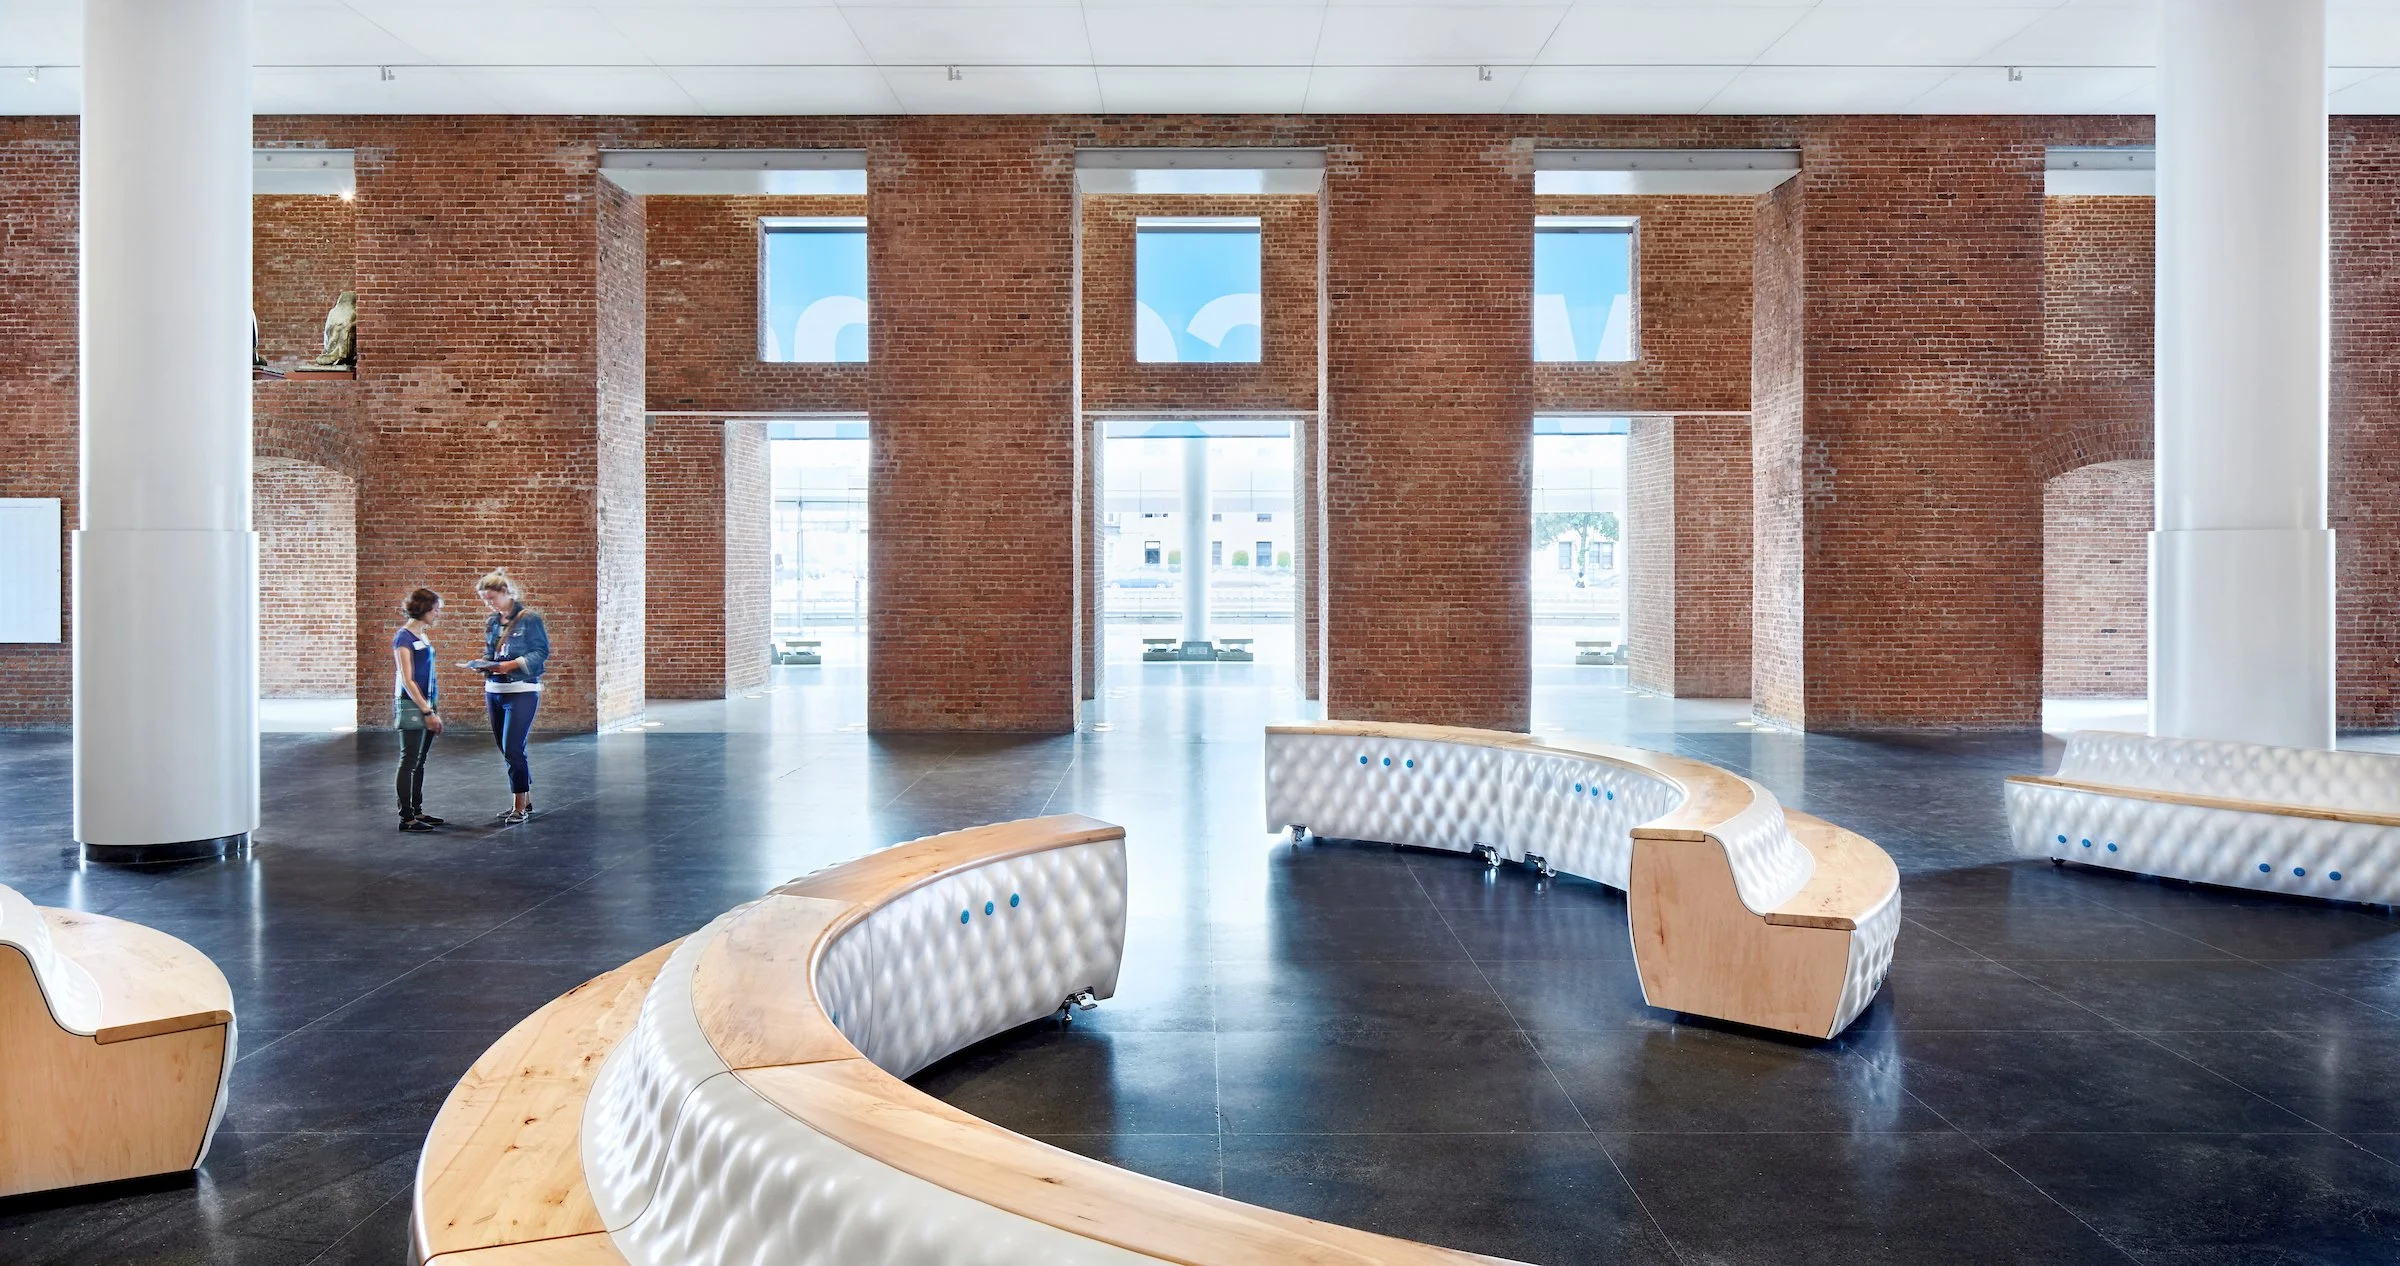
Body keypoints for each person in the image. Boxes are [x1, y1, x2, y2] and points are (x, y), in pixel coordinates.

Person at [475, 569, 549, 825]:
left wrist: (512, 665)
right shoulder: (493, 622)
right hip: (494, 690)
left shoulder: (530, 619)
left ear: (506, 593)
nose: (489, 604)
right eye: (485, 599)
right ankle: (525, 799)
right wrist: (483, 664)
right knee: (505, 750)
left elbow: (541, 652)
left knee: (513, 748)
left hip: (522, 690)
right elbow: (490, 652)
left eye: (492, 598)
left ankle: (519, 806)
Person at [391, 588, 447, 832]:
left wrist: (432, 706)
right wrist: (426, 711)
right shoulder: (403, 638)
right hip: (412, 705)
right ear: (423, 609)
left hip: (427, 703)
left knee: (419, 761)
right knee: (409, 760)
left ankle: (418, 810)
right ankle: (406, 817)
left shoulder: (422, 636)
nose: (437, 614)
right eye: (435, 609)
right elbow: (407, 679)